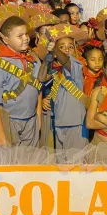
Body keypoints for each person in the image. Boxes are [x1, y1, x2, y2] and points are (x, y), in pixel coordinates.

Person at [0, 7, 44, 147]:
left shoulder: (33, 59)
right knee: (10, 163)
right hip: (9, 120)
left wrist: (39, 116)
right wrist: (0, 133)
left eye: (26, 34)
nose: (25, 39)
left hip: (31, 120)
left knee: (30, 161)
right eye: (19, 36)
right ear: (5, 39)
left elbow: (38, 88)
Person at [41, 24, 89, 157]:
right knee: (62, 164)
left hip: (76, 124)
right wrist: (48, 57)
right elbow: (42, 77)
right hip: (59, 122)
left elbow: (66, 61)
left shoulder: (77, 65)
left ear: (76, 50)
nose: (66, 50)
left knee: (76, 164)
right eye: (62, 47)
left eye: (70, 47)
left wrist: (55, 49)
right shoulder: (57, 70)